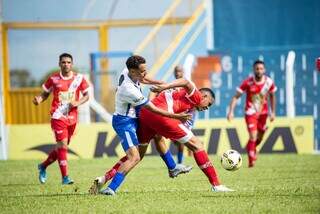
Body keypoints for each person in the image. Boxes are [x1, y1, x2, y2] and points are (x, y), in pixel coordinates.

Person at [99, 78, 234, 194]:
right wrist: (165, 86)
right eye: (208, 104)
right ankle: (216, 185)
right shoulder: (197, 96)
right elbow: (186, 81)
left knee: (136, 155)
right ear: (204, 96)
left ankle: (108, 182)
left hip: (146, 114)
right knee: (197, 145)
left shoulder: (185, 100)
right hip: (161, 115)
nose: (207, 108)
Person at [96, 55, 191, 195]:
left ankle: (172, 167)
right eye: (142, 71)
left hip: (136, 117)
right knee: (134, 157)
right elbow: (152, 108)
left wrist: (162, 83)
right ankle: (110, 188)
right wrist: (176, 117)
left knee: (157, 133)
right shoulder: (128, 89)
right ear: (133, 71)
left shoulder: (127, 71)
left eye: (145, 69)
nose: (145, 73)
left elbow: (144, 79)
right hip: (125, 123)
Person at [33, 53, 90, 184]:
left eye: (68, 62)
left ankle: (43, 166)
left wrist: (78, 102)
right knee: (63, 145)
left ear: (72, 64)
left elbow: (87, 95)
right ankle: (65, 177)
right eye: (63, 62)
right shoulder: (53, 79)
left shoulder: (79, 78)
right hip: (58, 116)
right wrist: (39, 99)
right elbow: (45, 94)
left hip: (72, 117)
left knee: (61, 147)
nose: (66, 64)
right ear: (59, 64)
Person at [227, 60, 277, 167]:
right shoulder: (248, 82)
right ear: (254, 70)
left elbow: (272, 96)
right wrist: (231, 112)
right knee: (253, 137)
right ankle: (251, 161)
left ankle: (252, 148)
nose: (259, 71)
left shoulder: (269, 82)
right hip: (250, 113)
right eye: (257, 69)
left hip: (263, 114)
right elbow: (236, 97)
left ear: (264, 70)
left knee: (260, 137)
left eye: (261, 68)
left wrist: (273, 112)